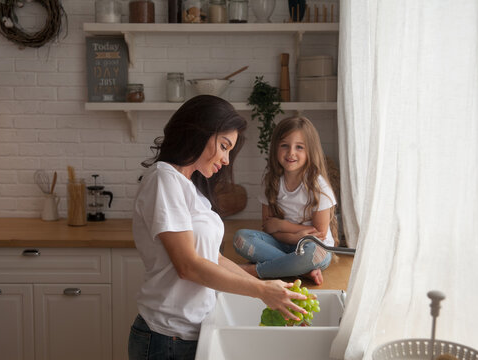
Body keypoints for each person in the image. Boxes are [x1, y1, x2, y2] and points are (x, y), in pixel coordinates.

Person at [129, 95, 308, 360]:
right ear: (199, 132)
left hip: (189, 334)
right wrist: (261, 291)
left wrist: (270, 290)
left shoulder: (190, 188)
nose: (226, 159)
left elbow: (214, 259)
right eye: (224, 146)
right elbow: (188, 266)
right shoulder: (164, 179)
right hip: (165, 338)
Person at [233, 116, 338, 286]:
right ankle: (300, 270)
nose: (291, 153)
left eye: (299, 147)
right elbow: (268, 228)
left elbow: (318, 234)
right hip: (281, 244)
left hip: (313, 249)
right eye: (284, 145)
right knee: (241, 238)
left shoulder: (318, 186)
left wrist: (281, 226)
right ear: (275, 148)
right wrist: (292, 236)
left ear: (310, 151)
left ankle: (255, 271)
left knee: (315, 252)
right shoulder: (271, 181)